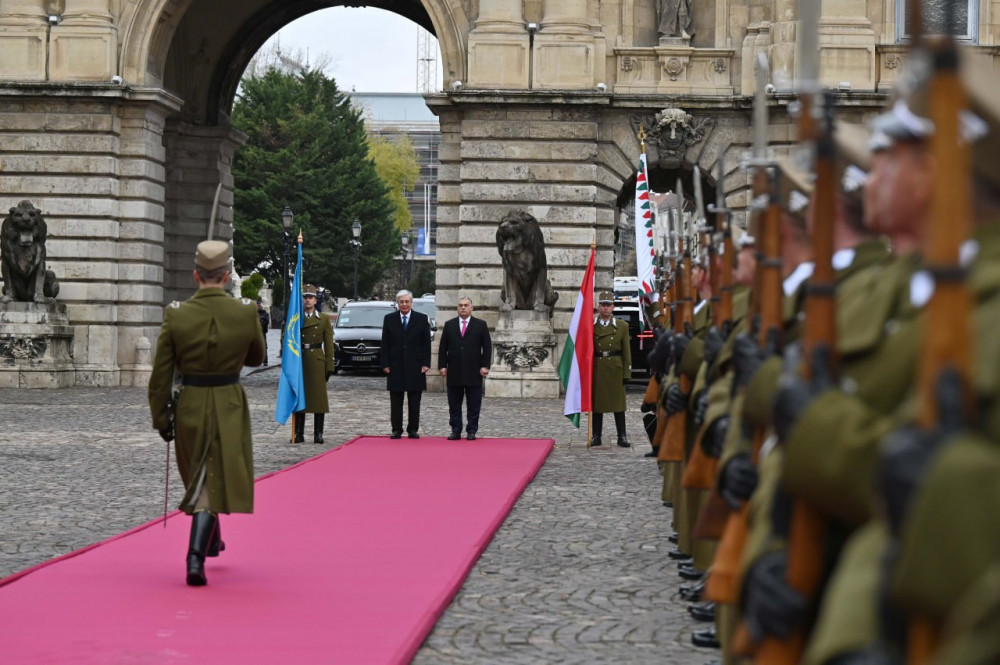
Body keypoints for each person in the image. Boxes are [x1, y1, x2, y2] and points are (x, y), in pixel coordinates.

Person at [147, 240, 265, 587]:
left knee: (201, 472)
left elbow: (160, 377)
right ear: (227, 276)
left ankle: (207, 544)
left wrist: (161, 418)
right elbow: (257, 358)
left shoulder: (177, 313)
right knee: (211, 473)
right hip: (228, 400)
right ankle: (196, 555)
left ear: (196, 275)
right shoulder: (245, 311)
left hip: (191, 403)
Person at [438, 297, 493, 440]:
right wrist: (442, 366)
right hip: (454, 371)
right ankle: (455, 430)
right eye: (460, 305)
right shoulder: (449, 325)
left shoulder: (480, 325)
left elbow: (487, 347)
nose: (463, 308)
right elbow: (443, 347)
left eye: (466, 305)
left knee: (474, 403)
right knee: (454, 404)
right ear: (457, 308)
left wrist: (485, 366)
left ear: (471, 308)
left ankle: (471, 430)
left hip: (474, 371)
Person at [380, 289, 431, 439]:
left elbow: (426, 343)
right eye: (401, 302)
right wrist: (385, 364)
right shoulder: (389, 319)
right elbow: (385, 343)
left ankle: (413, 429)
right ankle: (396, 429)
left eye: (407, 301)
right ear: (397, 303)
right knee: (396, 400)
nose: (404, 304)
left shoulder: (421, 319)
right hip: (395, 364)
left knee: (414, 400)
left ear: (411, 302)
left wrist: (426, 363)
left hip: (415, 364)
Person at [293, 285, 334, 443]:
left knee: (318, 399)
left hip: (316, 359)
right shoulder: (296, 318)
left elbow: (329, 344)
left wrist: (329, 365)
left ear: (316, 300)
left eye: (310, 297)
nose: (307, 300)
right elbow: (287, 337)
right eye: (305, 297)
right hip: (300, 359)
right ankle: (298, 432)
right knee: (299, 397)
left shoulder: (323, 319)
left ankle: (318, 433)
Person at [591, 291, 632, 447]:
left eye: (609, 305)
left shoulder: (622, 326)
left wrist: (627, 372)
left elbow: (626, 351)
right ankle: (596, 435)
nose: (606, 308)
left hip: (615, 367)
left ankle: (622, 436)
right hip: (598, 366)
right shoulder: (591, 326)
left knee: (618, 405)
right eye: (603, 305)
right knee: (597, 404)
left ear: (613, 307)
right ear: (599, 307)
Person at [256, 298, 270, 365]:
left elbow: (266, 322)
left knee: (264, 346)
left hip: (262, 332)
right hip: (255, 333)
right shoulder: (254, 313)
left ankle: (265, 361)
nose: (259, 307)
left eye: (259, 305)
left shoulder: (264, 313)